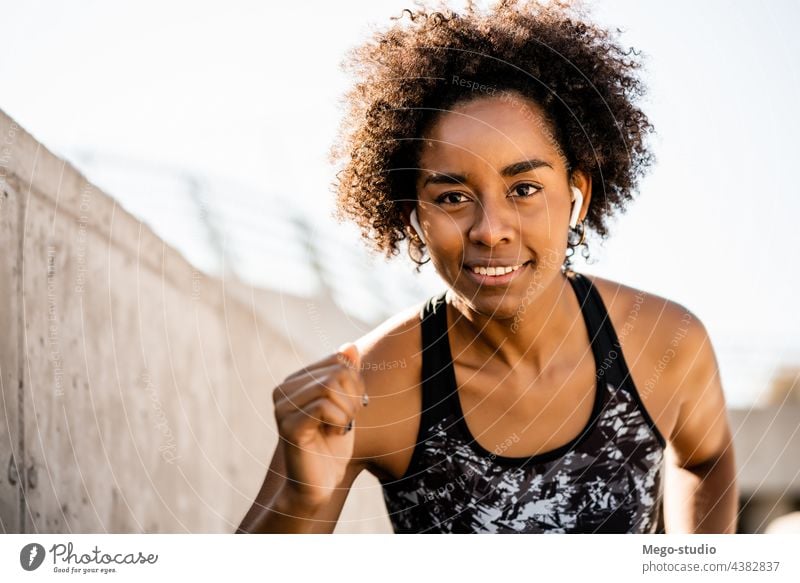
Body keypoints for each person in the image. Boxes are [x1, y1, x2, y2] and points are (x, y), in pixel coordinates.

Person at [236, 0, 738, 534]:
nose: (490, 229)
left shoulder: (664, 344)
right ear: (413, 218)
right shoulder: (371, 391)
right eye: (451, 197)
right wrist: (301, 496)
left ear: (577, 196)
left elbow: (705, 458)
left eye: (524, 189)